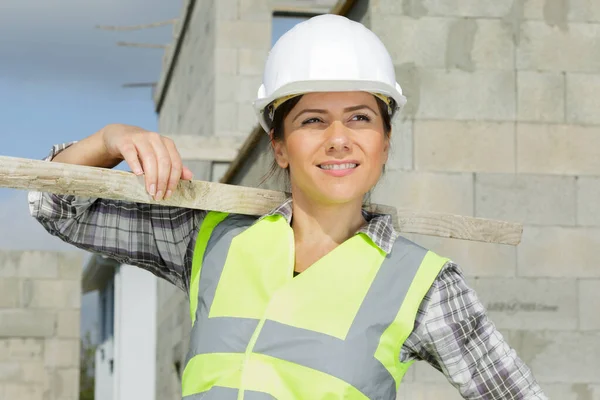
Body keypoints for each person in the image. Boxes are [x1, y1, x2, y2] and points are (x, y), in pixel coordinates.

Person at [29, 14, 547, 400]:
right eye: (313, 120)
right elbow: (57, 207)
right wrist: (113, 138)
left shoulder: (425, 286)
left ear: (386, 142)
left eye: (361, 118)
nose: (339, 139)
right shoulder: (212, 240)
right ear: (279, 145)